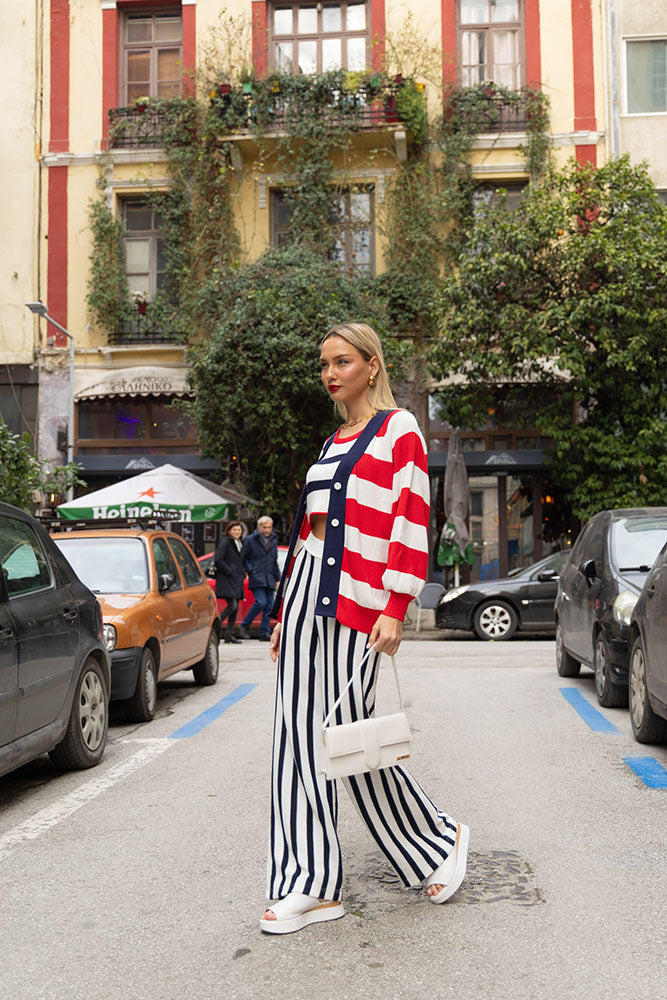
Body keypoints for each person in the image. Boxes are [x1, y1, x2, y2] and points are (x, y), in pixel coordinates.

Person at [260, 322, 469, 936]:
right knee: (295, 744)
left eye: (342, 361)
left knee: (352, 739)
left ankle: (435, 841)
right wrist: (281, 616)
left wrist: (396, 604)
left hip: (360, 601)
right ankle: (309, 884)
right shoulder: (331, 443)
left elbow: (410, 519)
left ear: (372, 366)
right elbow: (308, 532)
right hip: (304, 601)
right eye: (324, 363)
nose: (330, 373)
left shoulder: (399, 431)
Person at [238, 516, 280, 642]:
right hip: (257, 576)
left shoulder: (274, 540)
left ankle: (264, 632)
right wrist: (251, 570)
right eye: (264, 527)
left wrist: (278, 578)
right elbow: (244, 558)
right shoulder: (250, 539)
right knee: (261, 602)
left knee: (269, 606)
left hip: (269, 577)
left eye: (269, 527)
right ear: (259, 527)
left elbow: (274, 560)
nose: (267, 530)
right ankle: (244, 625)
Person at [213, 522, 245, 644]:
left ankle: (229, 635)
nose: (237, 532)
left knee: (235, 608)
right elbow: (218, 560)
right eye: (235, 529)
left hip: (237, 579)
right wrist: (230, 571)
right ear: (229, 531)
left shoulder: (240, 543)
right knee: (232, 606)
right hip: (227, 579)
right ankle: (214, 627)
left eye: (239, 530)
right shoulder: (225, 542)